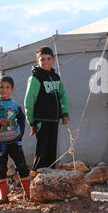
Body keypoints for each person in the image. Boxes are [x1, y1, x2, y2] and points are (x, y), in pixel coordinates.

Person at [24, 47, 70, 176]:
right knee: (42, 152)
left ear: (53, 60)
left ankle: (50, 179)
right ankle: (35, 179)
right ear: (37, 61)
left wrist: (64, 114)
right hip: (41, 120)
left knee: (51, 151)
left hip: (54, 119)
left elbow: (63, 96)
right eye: (42, 59)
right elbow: (29, 101)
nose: (46, 62)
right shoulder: (35, 77)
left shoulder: (56, 77)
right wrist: (31, 122)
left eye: (49, 59)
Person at [0, 76, 30, 204]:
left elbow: (22, 119)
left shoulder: (16, 106)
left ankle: (28, 193)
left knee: (21, 165)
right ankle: (3, 196)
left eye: (7, 87)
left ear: (12, 89)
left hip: (14, 141)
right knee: (1, 168)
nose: (4, 90)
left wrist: (20, 133)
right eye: (1, 87)